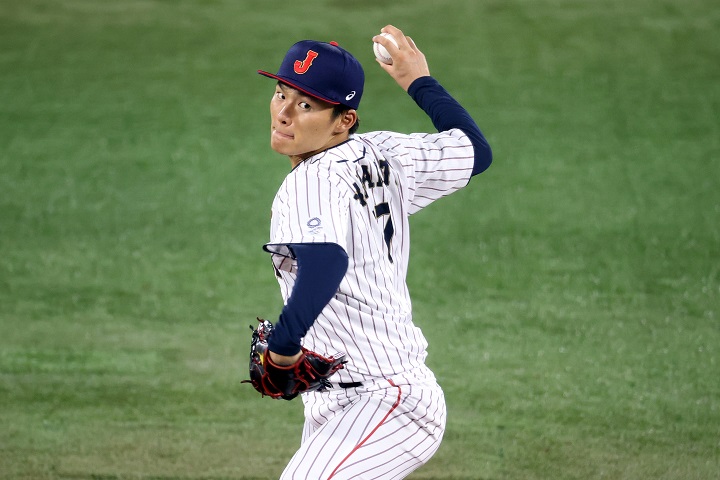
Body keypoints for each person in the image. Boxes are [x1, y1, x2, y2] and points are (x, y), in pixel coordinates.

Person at [256, 24, 492, 480]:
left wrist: (283, 348)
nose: (283, 113)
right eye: (281, 94)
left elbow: (326, 262)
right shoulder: (386, 152)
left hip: (381, 401)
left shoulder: (310, 180)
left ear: (344, 120)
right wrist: (418, 81)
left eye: (305, 105)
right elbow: (475, 152)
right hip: (357, 399)